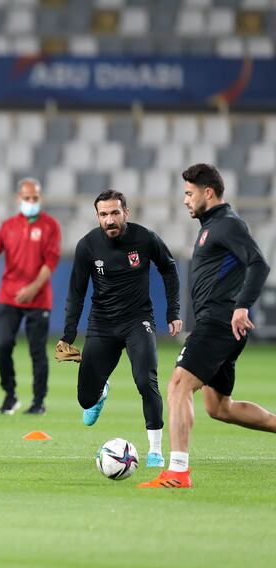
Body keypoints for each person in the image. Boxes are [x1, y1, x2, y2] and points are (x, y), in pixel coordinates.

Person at [139, 164, 273, 488]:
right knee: (219, 408)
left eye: (189, 193)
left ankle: (179, 472)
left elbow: (259, 263)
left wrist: (241, 305)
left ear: (207, 192)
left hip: (219, 322)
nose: (185, 200)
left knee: (177, 385)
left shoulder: (227, 225)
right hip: (218, 323)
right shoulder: (211, 226)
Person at [58, 189, 181, 468]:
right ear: (97, 216)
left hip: (138, 321)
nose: (109, 220)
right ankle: (100, 392)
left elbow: (170, 268)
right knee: (85, 398)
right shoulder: (87, 246)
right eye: (103, 214)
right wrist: (68, 334)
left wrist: (173, 312)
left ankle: (155, 451)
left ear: (126, 212)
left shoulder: (145, 238)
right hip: (102, 324)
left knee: (145, 380)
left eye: (115, 213)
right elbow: (76, 292)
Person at [0, 178, 61, 415]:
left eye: (35, 198)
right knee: (2, 345)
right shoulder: (9, 225)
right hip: (9, 296)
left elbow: (51, 262)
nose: (31, 202)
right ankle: (10, 394)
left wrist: (33, 288)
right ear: (18, 199)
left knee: (37, 351)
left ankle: (39, 401)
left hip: (38, 298)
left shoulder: (50, 226)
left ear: (40, 198)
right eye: (27, 198)